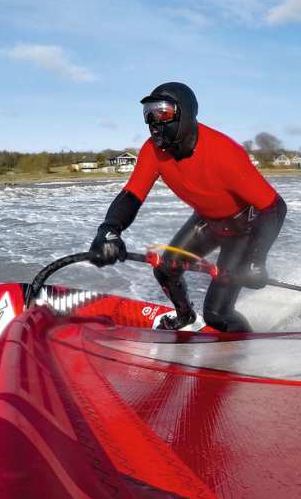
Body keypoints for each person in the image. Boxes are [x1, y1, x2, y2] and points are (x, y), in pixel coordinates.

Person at [89, 82, 286, 332]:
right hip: (207, 222)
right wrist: (108, 229)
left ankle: (245, 350)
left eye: (163, 112)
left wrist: (257, 261)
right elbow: (131, 195)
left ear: (186, 114)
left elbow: (274, 207)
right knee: (165, 270)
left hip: (244, 231)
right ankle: (184, 316)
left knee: (216, 315)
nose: (154, 121)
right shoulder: (153, 151)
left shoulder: (225, 153)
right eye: (148, 113)